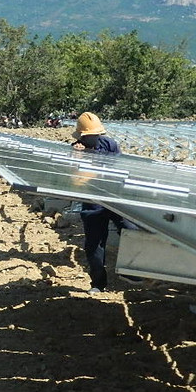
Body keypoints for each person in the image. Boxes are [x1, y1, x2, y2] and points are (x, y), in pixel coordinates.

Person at [71, 112, 136, 294]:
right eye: (89, 136)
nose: (93, 138)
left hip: (114, 197)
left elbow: (120, 168)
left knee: (131, 230)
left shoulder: (109, 144)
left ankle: (133, 272)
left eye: (95, 135)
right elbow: (76, 180)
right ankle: (98, 283)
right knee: (94, 245)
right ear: (82, 136)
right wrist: (78, 158)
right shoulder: (76, 150)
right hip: (93, 202)